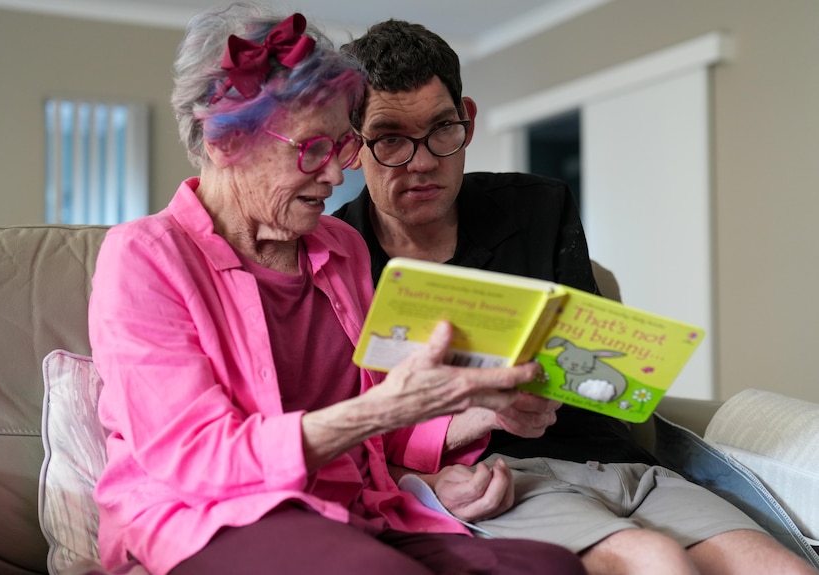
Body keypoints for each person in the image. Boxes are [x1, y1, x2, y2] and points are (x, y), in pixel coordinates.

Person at [87, 4, 589, 575]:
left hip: (349, 511)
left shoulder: (341, 248)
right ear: (226, 144)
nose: (336, 174)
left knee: (551, 568)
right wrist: (382, 408)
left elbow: (386, 429)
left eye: (342, 146)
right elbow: (196, 457)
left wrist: (488, 410)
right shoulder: (146, 257)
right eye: (311, 149)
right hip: (207, 519)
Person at [334, 19, 819, 575]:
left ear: (467, 117)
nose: (423, 161)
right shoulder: (336, 256)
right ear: (352, 145)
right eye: (391, 139)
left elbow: (589, 358)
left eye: (443, 129)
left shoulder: (538, 205)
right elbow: (349, 436)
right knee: (656, 561)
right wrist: (462, 437)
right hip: (502, 477)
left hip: (615, 458)